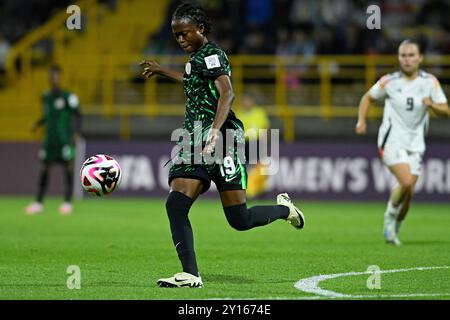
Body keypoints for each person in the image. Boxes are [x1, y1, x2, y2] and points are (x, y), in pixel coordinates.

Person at [140, 3, 305, 288]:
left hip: (222, 139)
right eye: (176, 35)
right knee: (176, 204)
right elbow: (191, 79)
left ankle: (284, 210)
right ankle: (190, 274)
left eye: (185, 33)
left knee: (239, 219)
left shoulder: (213, 55)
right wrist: (162, 70)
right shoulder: (195, 59)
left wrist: (215, 132)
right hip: (194, 140)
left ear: (200, 29)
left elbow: (227, 93)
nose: (180, 40)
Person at [355, 40, 449, 245]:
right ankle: (389, 218)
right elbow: (367, 98)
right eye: (403, 55)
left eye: (411, 55)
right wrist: (361, 120)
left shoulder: (430, 82)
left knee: (408, 192)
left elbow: (446, 111)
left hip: (416, 144)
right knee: (406, 182)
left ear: (420, 58)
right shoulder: (389, 81)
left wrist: (431, 105)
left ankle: (396, 225)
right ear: (399, 58)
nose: (407, 59)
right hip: (391, 140)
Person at [25, 65, 82, 215]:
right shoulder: (45, 96)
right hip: (50, 140)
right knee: (44, 169)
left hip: (64, 139)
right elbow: (48, 116)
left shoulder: (68, 96)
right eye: (52, 75)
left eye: (56, 75)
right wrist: (37, 124)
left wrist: (76, 132)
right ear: (49, 78)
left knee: (67, 169)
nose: (54, 78)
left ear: (61, 77)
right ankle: (38, 203)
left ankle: (67, 202)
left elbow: (78, 114)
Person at [236, 92, 270, 199]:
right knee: (245, 168)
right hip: (244, 144)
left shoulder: (259, 113)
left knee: (259, 167)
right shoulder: (239, 113)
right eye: (245, 101)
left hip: (257, 142)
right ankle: (248, 192)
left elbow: (265, 128)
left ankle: (259, 191)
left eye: (248, 100)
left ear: (252, 102)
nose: (246, 103)